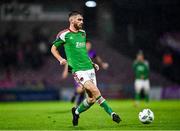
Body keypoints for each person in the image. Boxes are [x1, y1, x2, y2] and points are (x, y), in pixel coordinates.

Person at [51, 11, 121, 126]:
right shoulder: (64, 34)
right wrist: (60, 59)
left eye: (82, 20)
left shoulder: (83, 33)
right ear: (72, 20)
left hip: (89, 68)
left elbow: (83, 52)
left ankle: (76, 112)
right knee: (95, 90)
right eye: (79, 19)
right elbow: (53, 48)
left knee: (91, 99)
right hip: (78, 70)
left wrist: (92, 63)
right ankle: (112, 114)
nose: (81, 22)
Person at [61, 41, 109, 107]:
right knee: (81, 88)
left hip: (88, 73)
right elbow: (69, 60)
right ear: (84, 45)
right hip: (79, 73)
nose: (89, 47)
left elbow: (98, 59)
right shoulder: (79, 52)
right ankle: (75, 95)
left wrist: (102, 64)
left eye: (90, 46)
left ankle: (77, 105)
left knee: (84, 90)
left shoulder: (92, 53)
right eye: (87, 45)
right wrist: (65, 71)